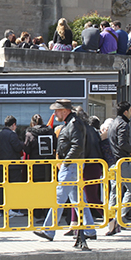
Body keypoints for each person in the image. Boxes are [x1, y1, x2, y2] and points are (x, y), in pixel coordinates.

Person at [33, 100, 96, 242]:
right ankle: (90, 230)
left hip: (71, 166)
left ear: (64, 111)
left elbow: (77, 146)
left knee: (59, 199)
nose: (54, 113)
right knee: (79, 200)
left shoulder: (73, 123)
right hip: (73, 165)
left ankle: (49, 230)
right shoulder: (72, 122)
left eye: (57, 110)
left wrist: (66, 162)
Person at [106, 101, 131, 235]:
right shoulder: (123, 124)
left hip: (113, 163)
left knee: (114, 192)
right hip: (122, 161)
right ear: (125, 112)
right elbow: (122, 143)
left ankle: (111, 222)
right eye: (130, 110)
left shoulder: (113, 123)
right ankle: (119, 217)